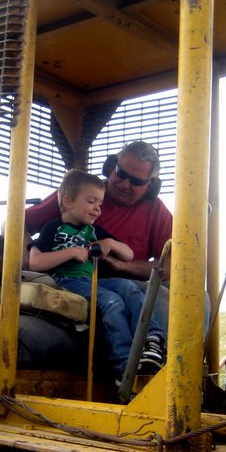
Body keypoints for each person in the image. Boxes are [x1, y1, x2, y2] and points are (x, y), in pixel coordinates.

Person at [27, 169, 167, 383]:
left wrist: (110, 243)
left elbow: (128, 254)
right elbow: (35, 261)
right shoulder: (53, 228)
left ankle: (153, 339)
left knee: (129, 289)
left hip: (92, 281)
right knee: (112, 302)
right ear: (68, 201)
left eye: (100, 203)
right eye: (91, 201)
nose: (97, 209)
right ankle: (123, 364)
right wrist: (70, 252)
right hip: (66, 281)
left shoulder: (93, 231)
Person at [24, 140, 173, 328]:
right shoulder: (81, 193)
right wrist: (30, 261)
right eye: (121, 174)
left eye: (136, 181)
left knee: (178, 297)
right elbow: (15, 223)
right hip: (72, 280)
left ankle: (155, 345)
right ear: (111, 167)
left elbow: (172, 265)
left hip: (125, 285)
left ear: (151, 185)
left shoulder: (157, 212)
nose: (125, 184)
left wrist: (124, 265)